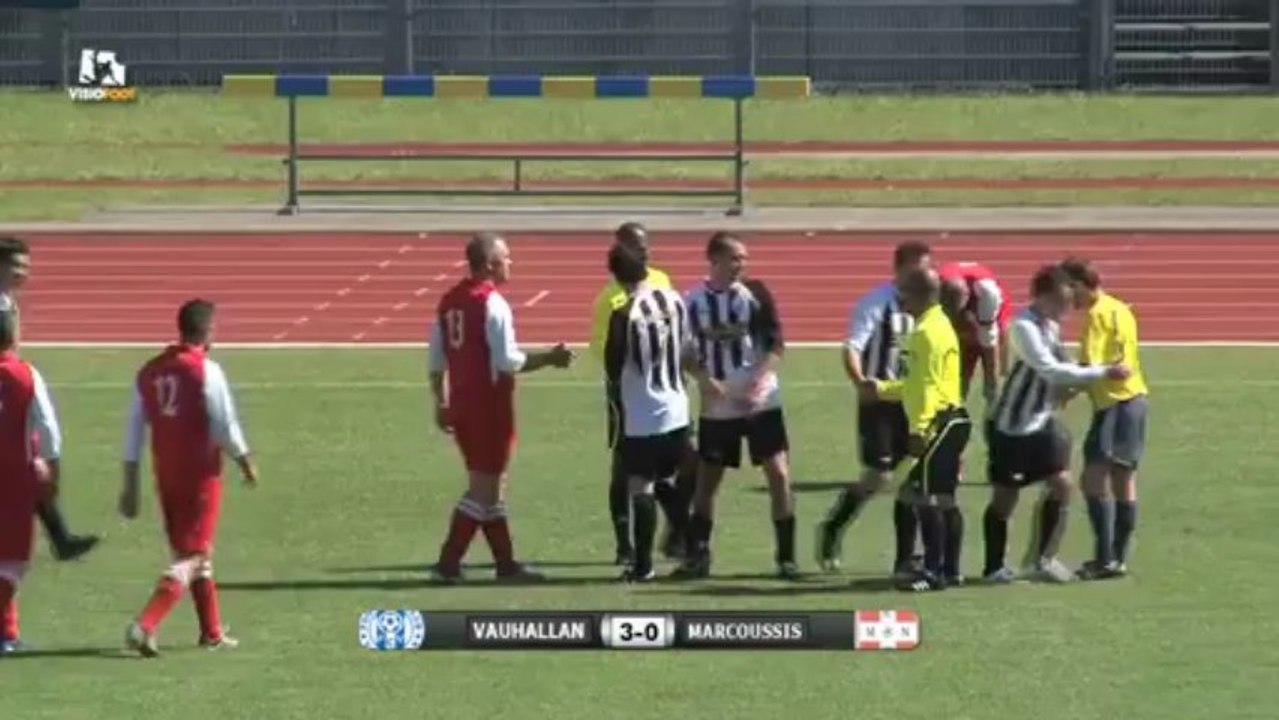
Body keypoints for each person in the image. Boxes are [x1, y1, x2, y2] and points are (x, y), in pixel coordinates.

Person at [428, 232, 575, 583]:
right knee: (484, 487)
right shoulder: (492, 303)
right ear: (491, 264)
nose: (512, 263)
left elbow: (435, 358)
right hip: (489, 406)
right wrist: (550, 359)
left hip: (462, 405)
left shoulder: (449, 301)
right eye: (507, 257)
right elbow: (508, 361)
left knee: (490, 485)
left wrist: (440, 400)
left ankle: (505, 564)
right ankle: (448, 562)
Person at [120, 299, 258, 657]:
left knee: (196, 551)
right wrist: (244, 459)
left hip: (166, 474)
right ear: (209, 331)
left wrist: (130, 481)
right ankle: (146, 624)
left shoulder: (149, 371)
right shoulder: (206, 370)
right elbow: (223, 424)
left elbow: (134, 428)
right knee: (192, 556)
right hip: (201, 476)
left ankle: (211, 631)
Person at [980, 266, 1131, 584]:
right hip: (1012, 426)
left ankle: (1041, 559)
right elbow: (1048, 368)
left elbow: (1064, 366)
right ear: (1045, 295)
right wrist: (1103, 372)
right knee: (1005, 498)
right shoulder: (1023, 326)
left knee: (1062, 485)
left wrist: (1077, 382)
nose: (1068, 307)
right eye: (1064, 299)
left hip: (1041, 422)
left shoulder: (1050, 325)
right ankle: (994, 566)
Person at [675, 232, 797, 580]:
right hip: (719, 405)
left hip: (761, 401)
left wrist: (759, 379)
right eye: (734, 258)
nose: (741, 264)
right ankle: (698, 556)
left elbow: (775, 345)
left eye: (744, 258)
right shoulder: (691, 301)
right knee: (708, 479)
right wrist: (703, 379)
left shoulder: (756, 295)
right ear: (713, 260)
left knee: (778, 472)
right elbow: (684, 351)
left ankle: (786, 557)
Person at [817, 240, 932, 578]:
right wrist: (861, 384)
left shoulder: (929, 304)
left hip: (913, 402)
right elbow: (853, 346)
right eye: (916, 269)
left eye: (927, 268)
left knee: (914, 479)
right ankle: (833, 526)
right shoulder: (876, 303)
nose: (923, 275)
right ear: (899, 270)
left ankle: (906, 559)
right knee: (879, 477)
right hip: (880, 401)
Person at [857, 268, 970, 591]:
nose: (900, 298)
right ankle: (950, 569)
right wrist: (880, 389)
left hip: (937, 422)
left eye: (904, 292)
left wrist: (921, 428)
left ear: (921, 294)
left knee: (922, 497)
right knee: (941, 498)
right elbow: (916, 383)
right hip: (952, 418)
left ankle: (934, 572)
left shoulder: (925, 333)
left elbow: (928, 387)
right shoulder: (937, 325)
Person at [589, 222, 694, 565]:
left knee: (656, 473)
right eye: (637, 246)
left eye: (646, 244)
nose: (645, 250)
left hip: (659, 391)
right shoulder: (609, 299)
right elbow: (600, 349)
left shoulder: (660, 283)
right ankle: (626, 543)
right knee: (626, 468)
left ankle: (676, 539)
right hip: (631, 395)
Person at [0, 235, 98, 562]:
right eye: (18, 266)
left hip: (9, 387)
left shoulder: (7, 300)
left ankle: (59, 536)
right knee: (28, 460)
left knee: (30, 460)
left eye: (27, 266)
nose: (24, 272)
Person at [1060, 257, 1148, 580]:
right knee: (1124, 480)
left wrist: (1061, 393)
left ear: (1080, 284)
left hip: (1113, 405)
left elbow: (1091, 369)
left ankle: (1105, 557)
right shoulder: (1119, 308)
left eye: (1070, 289)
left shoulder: (1096, 317)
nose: (1070, 299)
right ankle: (1116, 559)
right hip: (1134, 399)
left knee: (1093, 480)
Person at [0, 310, 62, 654]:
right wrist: (53, 469)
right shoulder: (24, 374)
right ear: (13, 337)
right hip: (11, 476)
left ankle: (7, 635)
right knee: (15, 560)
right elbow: (49, 428)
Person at [937, 260, 1011, 404]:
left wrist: (992, 380)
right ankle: (955, 403)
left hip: (990, 310)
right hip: (959, 296)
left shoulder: (989, 294)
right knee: (959, 369)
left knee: (993, 367)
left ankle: (994, 402)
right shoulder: (934, 285)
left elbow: (990, 340)